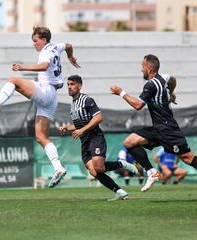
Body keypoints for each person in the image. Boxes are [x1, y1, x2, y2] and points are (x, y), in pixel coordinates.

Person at [0, 26, 80, 188]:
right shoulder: (55, 46)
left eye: (35, 40)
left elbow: (44, 66)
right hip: (52, 98)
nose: (34, 44)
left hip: (46, 91)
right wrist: (71, 57)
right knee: (41, 137)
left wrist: (22, 67)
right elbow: (68, 45)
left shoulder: (46, 51)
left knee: (13, 80)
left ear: (44, 40)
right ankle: (59, 168)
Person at [110, 54, 197, 192]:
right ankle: (152, 172)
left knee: (188, 158)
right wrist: (171, 93)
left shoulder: (150, 85)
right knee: (129, 142)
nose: (141, 70)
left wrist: (121, 92)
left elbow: (138, 105)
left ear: (149, 68)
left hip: (168, 129)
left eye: (142, 66)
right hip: (158, 128)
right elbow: (173, 79)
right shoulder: (164, 78)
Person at [60, 75, 138, 201]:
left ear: (79, 86)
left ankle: (121, 164)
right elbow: (80, 124)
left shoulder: (86, 100)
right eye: (68, 84)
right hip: (84, 141)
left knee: (99, 167)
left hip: (95, 137)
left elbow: (98, 117)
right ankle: (120, 192)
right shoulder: (73, 104)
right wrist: (68, 128)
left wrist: (81, 130)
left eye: (72, 84)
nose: (69, 87)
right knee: (94, 171)